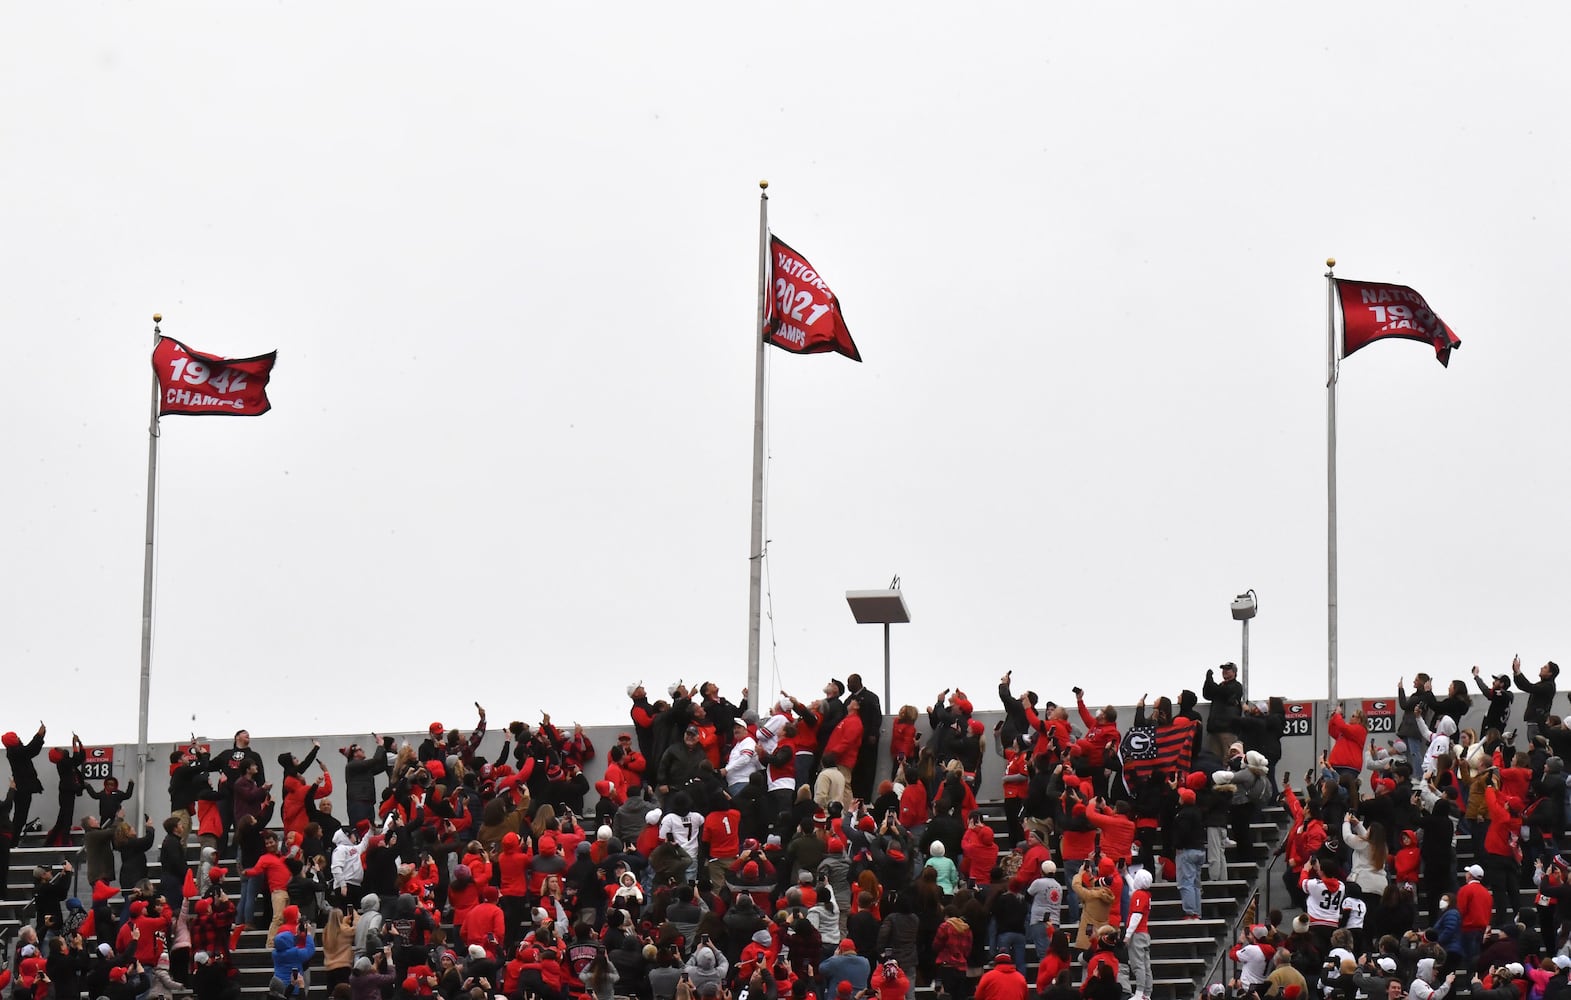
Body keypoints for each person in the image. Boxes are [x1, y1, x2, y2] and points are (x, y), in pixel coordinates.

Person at [1203, 663, 1244, 760]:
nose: (1224, 671)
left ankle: (1229, 775)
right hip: (1215, 729)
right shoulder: (1221, 687)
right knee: (1213, 759)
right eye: (1223, 669)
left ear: (1234, 672)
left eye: (1228, 669)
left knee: (1229, 758)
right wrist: (1208, 680)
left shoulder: (1236, 686)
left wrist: (1211, 681)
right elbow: (1207, 694)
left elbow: (1224, 692)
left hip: (1228, 729)